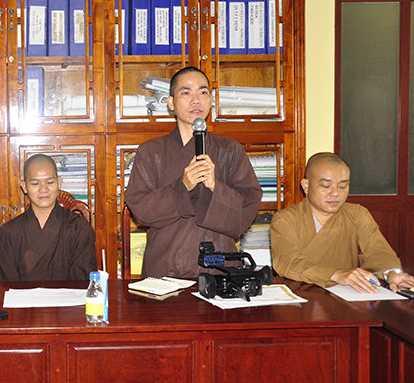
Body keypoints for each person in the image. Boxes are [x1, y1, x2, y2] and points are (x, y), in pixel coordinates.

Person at [125, 67, 263, 279]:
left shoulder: (230, 150)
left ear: (211, 101)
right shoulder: (150, 151)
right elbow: (141, 210)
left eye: (203, 92)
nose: (196, 100)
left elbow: (246, 211)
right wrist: (182, 187)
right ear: (171, 103)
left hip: (220, 269)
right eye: (186, 92)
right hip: (166, 269)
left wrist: (215, 187)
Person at [270, 152, 414, 293]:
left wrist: (390, 273)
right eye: (326, 186)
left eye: (343, 186)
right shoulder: (286, 219)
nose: (335, 193)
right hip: (301, 295)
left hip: (348, 295)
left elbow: (378, 251)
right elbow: (286, 260)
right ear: (306, 186)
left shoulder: (357, 215)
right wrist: (335, 274)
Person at [0, 154, 97, 281]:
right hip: (22, 295)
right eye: (35, 183)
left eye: (49, 182)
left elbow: (82, 283)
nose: (43, 189)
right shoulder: (8, 234)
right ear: (24, 186)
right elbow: (5, 286)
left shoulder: (79, 228)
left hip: (68, 295)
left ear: (59, 182)